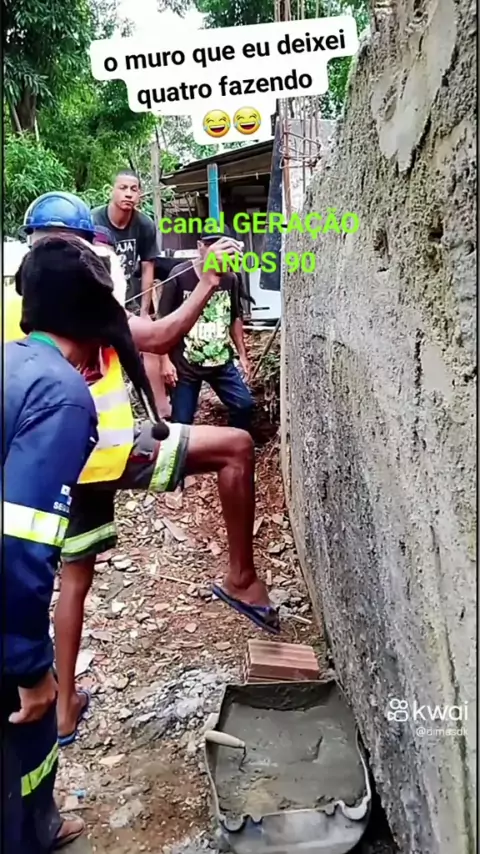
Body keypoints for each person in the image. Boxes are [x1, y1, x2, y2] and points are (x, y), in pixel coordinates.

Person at [5, 191, 280, 751]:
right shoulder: (82, 296)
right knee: (235, 446)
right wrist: (206, 281)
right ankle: (241, 579)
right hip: (108, 450)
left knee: (74, 579)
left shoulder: (21, 300)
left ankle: (63, 707)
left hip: (59, 465)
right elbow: (158, 337)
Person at [2, 232, 159, 852]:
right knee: (26, 724)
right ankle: (29, 832)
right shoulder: (63, 396)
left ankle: (40, 823)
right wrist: (30, 667)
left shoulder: (12, 362)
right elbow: (22, 544)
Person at [159, 226, 255, 432]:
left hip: (220, 360)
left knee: (244, 405)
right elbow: (162, 320)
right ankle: (186, 452)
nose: (215, 250)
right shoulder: (180, 275)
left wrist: (242, 355)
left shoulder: (230, 278)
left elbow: (234, 317)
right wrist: (165, 361)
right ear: (199, 247)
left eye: (220, 245)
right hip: (185, 364)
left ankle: (229, 444)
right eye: (210, 244)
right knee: (181, 422)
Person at [91, 169, 169, 417]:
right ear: (111, 191)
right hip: (98, 298)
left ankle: (159, 410)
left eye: (133, 189)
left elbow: (148, 268)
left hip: (130, 297)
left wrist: (145, 310)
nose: (128, 194)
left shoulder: (144, 225)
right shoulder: (93, 220)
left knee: (149, 343)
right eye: (123, 188)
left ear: (139, 195)